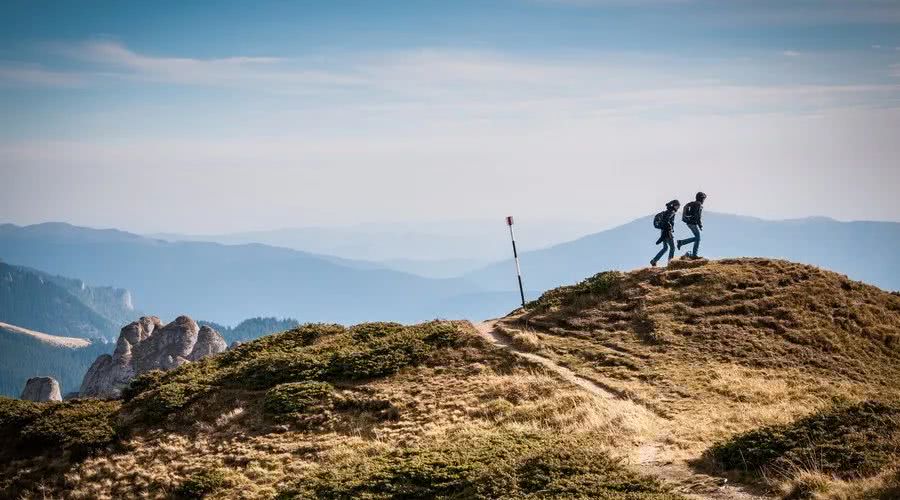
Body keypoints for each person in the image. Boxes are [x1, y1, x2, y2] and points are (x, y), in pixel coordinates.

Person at [651, 199, 680, 267]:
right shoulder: (672, 211)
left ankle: (654, 261)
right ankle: (670, 263)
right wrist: (670, 226)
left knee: (665, 248)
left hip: (663, 230)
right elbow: (666, 220)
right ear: (674, 205)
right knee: (672, 248)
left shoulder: (668, 211)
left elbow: (665, 220)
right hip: (667, 231)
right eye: (677, 206)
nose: (678, 208)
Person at [677, 192, 706, 258]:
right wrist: (700, 225)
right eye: (703, 199)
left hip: (689, 222)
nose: (704, 200)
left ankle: (682, 243)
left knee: (697, 238)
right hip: (692, 223)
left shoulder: (693, 203)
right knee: (698, 238)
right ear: (701, 198)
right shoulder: (698, 205)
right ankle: (694, 254)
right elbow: (698, 216)